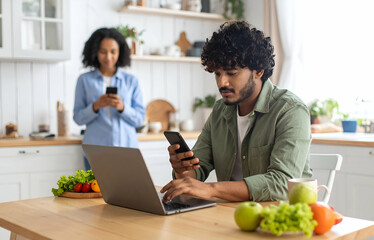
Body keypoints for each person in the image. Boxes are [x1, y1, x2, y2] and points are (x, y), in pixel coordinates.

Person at [161, 21, 312, 202]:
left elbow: (282, 183)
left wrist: (212, 189)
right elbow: (196, 173)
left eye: (231, 73)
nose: (221, 82)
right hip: (231, 213)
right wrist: (183, 170)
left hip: (280, 217)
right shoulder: (219, 111)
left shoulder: (290, 111)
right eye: (217, 73)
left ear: (259, 71)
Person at [73, 28, 145, 170]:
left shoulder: (131, 81)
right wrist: (95, 106)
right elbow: (78, 118)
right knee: (95, 192)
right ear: (95, 52)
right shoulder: (84, 80)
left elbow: (139, 119)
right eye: (103, 51)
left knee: (127, 192)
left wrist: (123, 108)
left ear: (120, 52)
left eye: (113, 52)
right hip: (95, 152)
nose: (108, 57)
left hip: (127, 151)